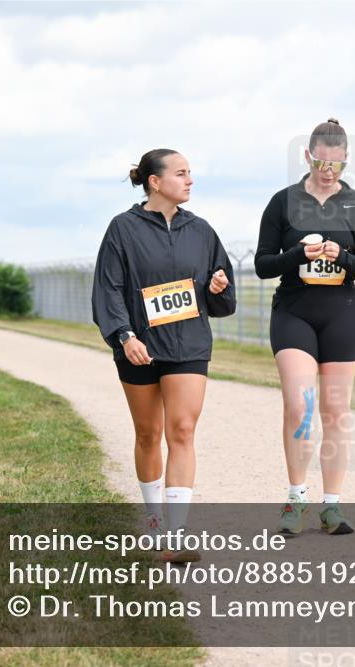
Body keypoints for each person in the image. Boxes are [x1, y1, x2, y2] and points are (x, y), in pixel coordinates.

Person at [92, 148, 235, 563]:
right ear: (155, 182)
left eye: (191, 173)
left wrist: (217, 288)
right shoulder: (122, 228)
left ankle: (176, 535)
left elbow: (223, 299)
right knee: (148, 434)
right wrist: (124, 335)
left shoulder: (203, 231)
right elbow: (109, 288)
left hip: (189, 345)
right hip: (139, 347)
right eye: (181, 173)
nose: (190, 181)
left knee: (183, 430)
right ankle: (153, 523)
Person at [255, 118, 355, 537]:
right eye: (322, 163)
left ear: (346, 160)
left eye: (337, 165)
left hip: (343, 312)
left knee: (335, 412)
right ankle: (296, 498)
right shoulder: (283, 202)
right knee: (299, 406)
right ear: (308, 156)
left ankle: (332, 506)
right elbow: (262, 265)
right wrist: (297, 253)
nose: (329, 172)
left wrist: (342, 256)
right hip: (294, 311)